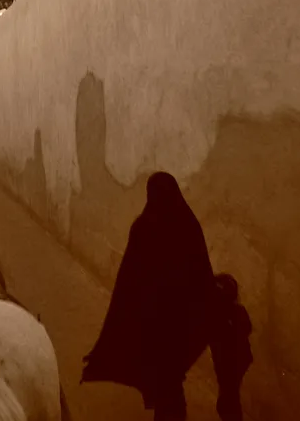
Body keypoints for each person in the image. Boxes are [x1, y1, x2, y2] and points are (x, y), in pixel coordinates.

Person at [81, 172, 216, 420]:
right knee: (171, 381)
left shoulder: (144, 227)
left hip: (156, 325)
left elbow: (128, 282)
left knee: (166, 382)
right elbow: (202, 278)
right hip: (181, 326)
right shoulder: (188, 224)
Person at [209, 273, 252, 421]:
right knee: (228, 400)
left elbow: (244, 330)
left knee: (227, 401)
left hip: (232, 361)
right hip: (232, 361)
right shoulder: (229, 313)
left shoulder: (229, 314)